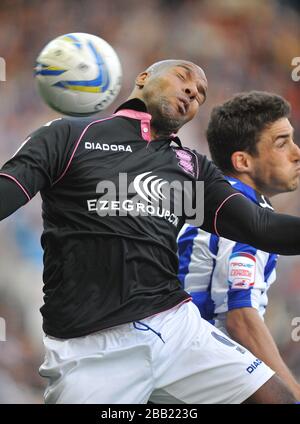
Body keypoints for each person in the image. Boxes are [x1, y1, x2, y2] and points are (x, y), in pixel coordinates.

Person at [0, 59, 300, 404]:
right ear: (143, 78)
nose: (193, 91)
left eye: (201, 93)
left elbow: (260, 226)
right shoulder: (70, 136)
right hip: (90, 347)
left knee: (277, 398)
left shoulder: (191, 168)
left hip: (175, 328)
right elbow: (8, 189)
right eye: (183, 77)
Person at [177, 91, 300, 401]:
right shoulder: (242, 210)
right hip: (194, 365)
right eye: (282, 142)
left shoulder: (218, 199)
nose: (296, 152)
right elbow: (239, 319)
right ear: (243, 160)